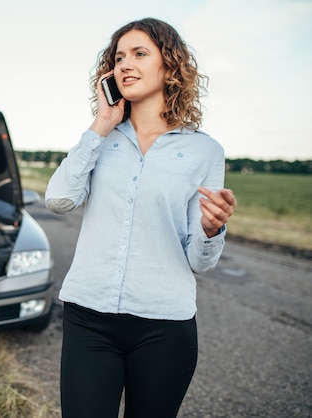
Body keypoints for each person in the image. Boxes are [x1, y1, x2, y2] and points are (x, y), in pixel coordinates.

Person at [45, 18, 237, 417]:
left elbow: (200, 262)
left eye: (139, 54)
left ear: (170, 66)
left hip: (164, 326)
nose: (124, 65)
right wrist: (102, 122)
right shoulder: (100, 138)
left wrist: (211, 228)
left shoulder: (205, 151)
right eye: (118, 58)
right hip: (89, 319)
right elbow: (58, 201)